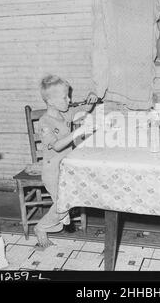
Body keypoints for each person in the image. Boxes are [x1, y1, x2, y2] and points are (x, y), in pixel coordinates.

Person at [35, 75, 98, 248]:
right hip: (52, 172)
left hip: (66, 169)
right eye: (65, 97)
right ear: (50, 101)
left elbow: (84, 109)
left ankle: (54, 222)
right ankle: (41, 228)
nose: (69, 99)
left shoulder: (66, 113)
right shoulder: (44, 122)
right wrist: (78, 133)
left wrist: (91, 99)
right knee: (62, 204)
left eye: (68, 95)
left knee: (67, 201)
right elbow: (56, 146)